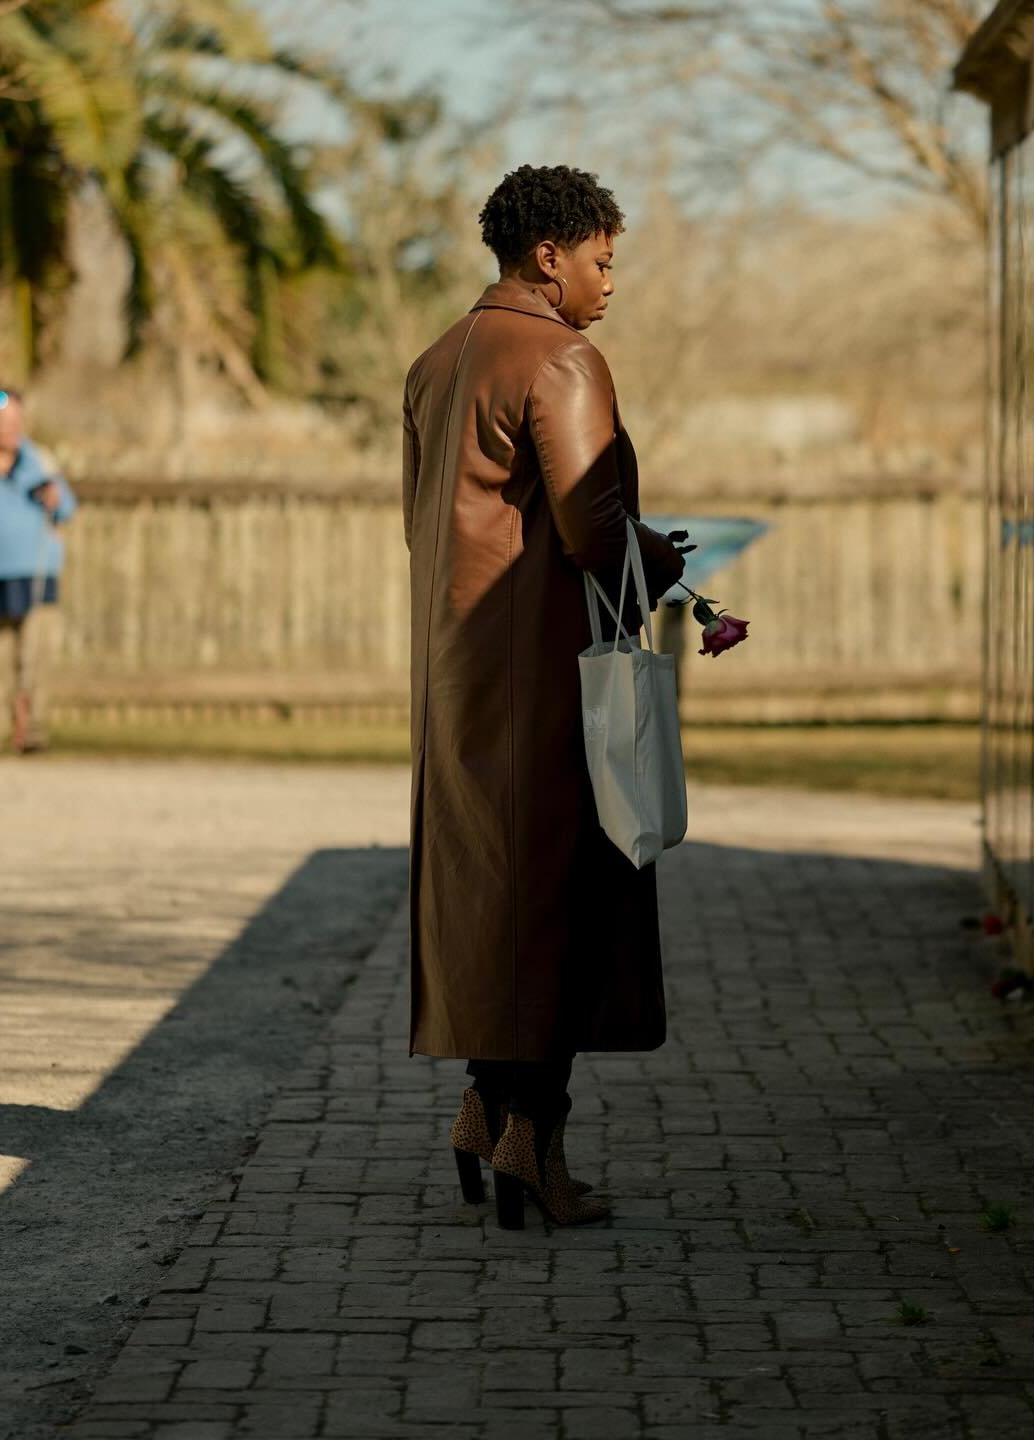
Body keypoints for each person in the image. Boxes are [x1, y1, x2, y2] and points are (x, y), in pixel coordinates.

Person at [402, 165, 691, 1229]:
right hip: (550, 675)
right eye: (602, 261)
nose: (610, 285)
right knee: (563, 906)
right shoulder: (563, 358)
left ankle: (482, 1106)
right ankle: (538, 1148)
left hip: (458, 676)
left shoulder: (436, 363)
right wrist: (666, 563)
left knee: (490, 902)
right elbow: (590, 529)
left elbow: (420, 525)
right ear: (547, 256)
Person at [0, 383, 77, 755]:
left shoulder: (38, 461)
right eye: (1, 420)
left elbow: (67, 507)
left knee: (37, 658)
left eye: (15, 420)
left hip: (37, 571)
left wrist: (55, 498)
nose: (9, 428)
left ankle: (34, 731)